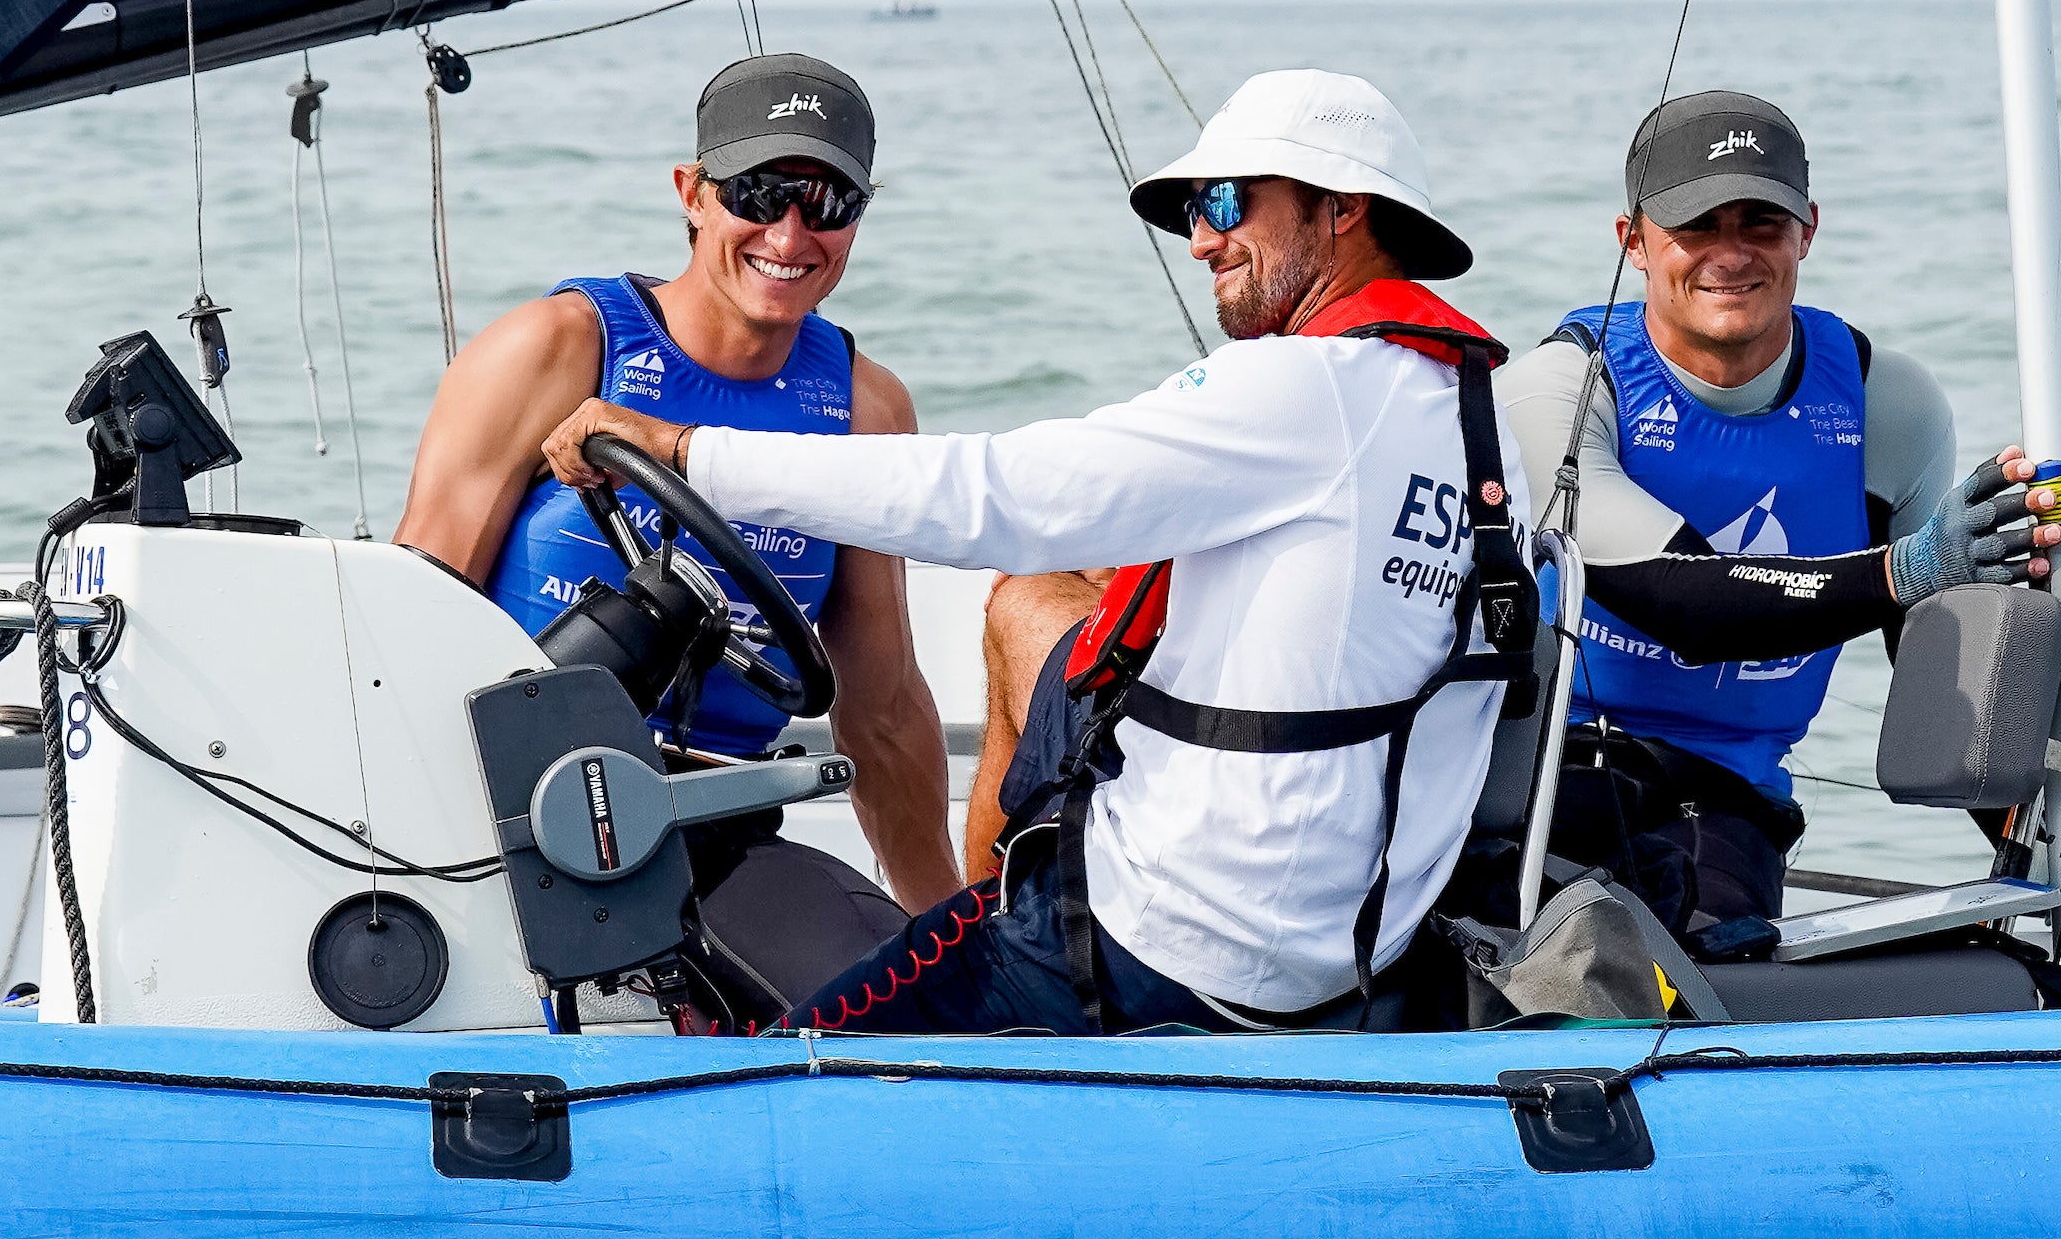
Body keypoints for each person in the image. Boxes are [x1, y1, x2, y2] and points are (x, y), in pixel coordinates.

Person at [540, 69, 1536, 1034]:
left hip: (1172, 947)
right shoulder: (1474, 412)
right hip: (1347, 948)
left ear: (1341, 210)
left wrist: (684, 452)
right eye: (1191, 209)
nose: (1201, 239)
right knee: (1036, 607)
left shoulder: (1301, 387)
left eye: (1226, 200)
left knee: (804, 1059)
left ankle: (1014, 942)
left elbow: (997, 494)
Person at [392, 53, 962, 1021]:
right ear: (692, 194)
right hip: (507, 806)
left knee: (915, 1007)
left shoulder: (865, 405)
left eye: (828, 203)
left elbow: (886, 708)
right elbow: (409, 618)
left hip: (714, 821)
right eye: (760, 192)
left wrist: (951, 926)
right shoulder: (557, 346)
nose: (791, 233)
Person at [1495, 89, 2061, 934]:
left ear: (1807, 230)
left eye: (1760, 223)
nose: (1731, 255)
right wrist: (1909, 569)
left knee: (1719, 967)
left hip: (1725, 798)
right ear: (1634, 243)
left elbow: (1941, 680)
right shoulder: (1562, 390)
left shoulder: (1886, 403)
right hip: (1543, 771)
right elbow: (1681, 600)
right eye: (1696, 226)